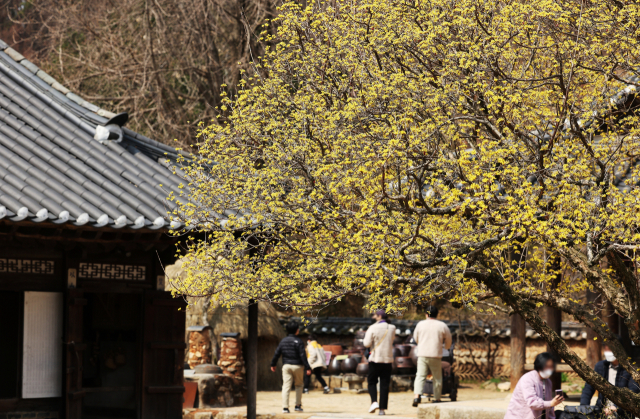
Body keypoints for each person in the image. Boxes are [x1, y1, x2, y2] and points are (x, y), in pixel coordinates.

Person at [580, 338, 639, 419]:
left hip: (622, 413)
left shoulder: (630, 369)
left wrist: (616, 407)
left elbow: (633, 391)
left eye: (611, 350)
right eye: (606, 349)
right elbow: (588, 388)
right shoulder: (600, 366)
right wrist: (583, 407)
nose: (608, 352)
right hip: (601, 410)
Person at [412, 305, 452, 406]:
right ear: (437, 314)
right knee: (437, 377)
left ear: (426, 314)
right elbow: (448, 340)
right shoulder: (442, 325)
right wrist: (446, 347)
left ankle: (417, 396)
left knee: (420, 376)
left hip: (422, 354)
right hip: (436, 354)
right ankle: (437, 398)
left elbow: (415, 338)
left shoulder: (420, 324)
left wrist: (421, 344)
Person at [505, 352, 564, 419]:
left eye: (551, 367)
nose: (550, 369)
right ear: (539, 366)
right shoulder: (528, 379)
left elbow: (549, 407)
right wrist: (551, 403)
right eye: (547, 367)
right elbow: (532, 402)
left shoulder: (548, 382)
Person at [270, 321, 312, 413]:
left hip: (286, 366)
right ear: (297, 330)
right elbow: (303, 356)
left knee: (286, 386)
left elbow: (277, 353)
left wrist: (273, 364)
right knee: (299, 385)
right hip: (298, 366)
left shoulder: (283, 341)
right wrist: (308, 367)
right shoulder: (299, 341)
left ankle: (285, 407)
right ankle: (297, 406)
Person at [363, 309, 396, 415]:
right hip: (387, 359)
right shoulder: (392, 328)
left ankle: (374, 402)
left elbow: (366, 343)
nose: (374, 317)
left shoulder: (373, 327)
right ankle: (382, 409)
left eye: (375, 315)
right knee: (384, 384)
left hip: (375, 358)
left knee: (372, 381)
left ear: (379, 316)